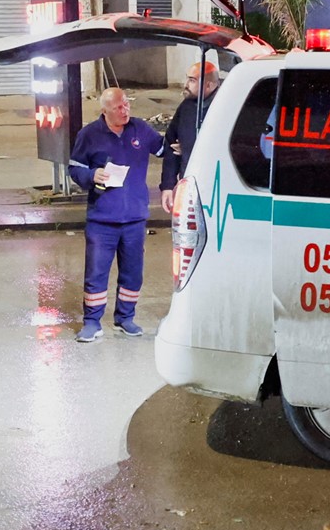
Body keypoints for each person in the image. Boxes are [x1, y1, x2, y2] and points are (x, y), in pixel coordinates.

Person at [68, 86, 164, 342]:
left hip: (134, 218)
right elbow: (75, 168)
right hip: (102, 219)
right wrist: (91, 175)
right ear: (105, 111)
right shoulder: (89, 134)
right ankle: (92, 322)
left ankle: (125, 319)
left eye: (127, 105)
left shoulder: (140, 130)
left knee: (133, 272)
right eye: (118, 107)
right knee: (96, 273)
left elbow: (164, 148)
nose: (125, 110)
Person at [159, 60, 221, 213]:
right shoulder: (187, 106)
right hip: (190, 186)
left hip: (217, 190)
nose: (185, 84)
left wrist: (189, 147)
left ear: (209, 85)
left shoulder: (224, 108)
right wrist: (168, 185)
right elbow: (171, 143)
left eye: (192, 80)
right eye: (187, 78)